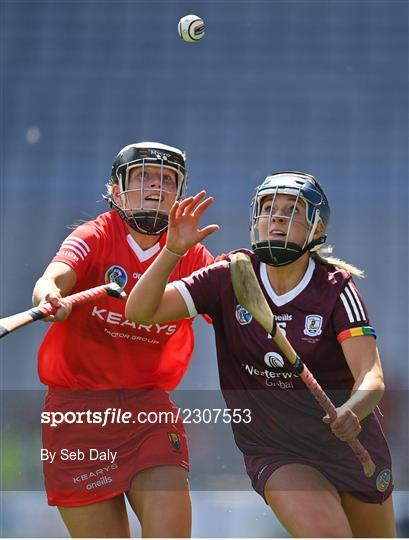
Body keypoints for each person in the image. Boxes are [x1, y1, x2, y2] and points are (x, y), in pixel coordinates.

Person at [125, 172, 397, 538]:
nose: (278, 218)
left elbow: (371, 376)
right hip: (277, 450)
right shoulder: (230, 276)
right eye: (269, 209)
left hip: (350, 446)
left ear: (316, 230)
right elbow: (139, 311)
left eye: (292, 211)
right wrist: (173, 251)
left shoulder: (336, 289)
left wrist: (353, 411)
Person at [32, 142, 214, 538]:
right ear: (116, 191)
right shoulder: (96, 234)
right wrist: (50, 296)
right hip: (76, 416)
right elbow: (54, 276)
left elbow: (235, 314)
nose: (156, 186)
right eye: (144, 177)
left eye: (167, 179)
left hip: (148, 411)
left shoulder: (194, 256)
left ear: (178, 195)